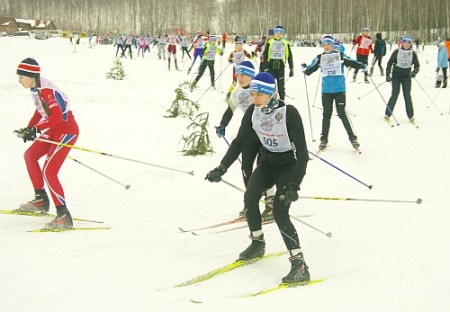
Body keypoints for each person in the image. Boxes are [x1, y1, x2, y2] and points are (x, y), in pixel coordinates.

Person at [205, 72, 310, 284]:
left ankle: (299, 264)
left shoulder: (289, 113)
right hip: (267, 163)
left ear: (271, 94)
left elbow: (303, 154)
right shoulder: (253, 111)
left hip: (288, 166)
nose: (255, 99)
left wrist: (293, 186)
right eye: (253, 94)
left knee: (280, 212)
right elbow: (239, 142)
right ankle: (257, 243)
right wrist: (222, 167)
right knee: (250, 197)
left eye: (260, 94)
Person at [13, 58, 79, 230]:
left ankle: (63, 215)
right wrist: (29, 128)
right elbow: (40, 109)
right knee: (30, 156)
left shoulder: (47, 90)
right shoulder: (37, 87)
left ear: (31, 75)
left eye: (21, 77)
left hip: (66, 131)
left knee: (49, 171)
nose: (19, 81)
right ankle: (41, 199)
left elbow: (58, 116)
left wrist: (36, 129)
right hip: (54, 129)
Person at [215, 61, 275, 220]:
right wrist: (222, 125)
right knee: (246, 168)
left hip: (265, 133)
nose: (240, 78)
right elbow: (230, 110)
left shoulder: (262, 89)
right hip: (248, 133)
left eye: (243, 75)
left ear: (251, 75)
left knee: (263, 167)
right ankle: (251, 202)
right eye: (238, 75)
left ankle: (271, 203)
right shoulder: (236, 92)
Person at [302, 36, 364, 151]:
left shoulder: (339, 55)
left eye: (328, 44)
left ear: (332, 45)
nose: (326, 47)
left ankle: (353, 138)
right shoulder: (320, 57)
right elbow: (311, 69)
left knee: (342, 113)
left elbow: (352, 62)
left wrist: (361, 65)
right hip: (326, 91)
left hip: (339, 89)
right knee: (326, 114)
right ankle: (323, 139)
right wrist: (305, 69)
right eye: (324, 45)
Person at [385, 36, 420, 123]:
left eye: (408, 43)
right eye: (405, 42)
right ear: (402, 43)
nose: (406, 44)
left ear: (410, 44)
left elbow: (417, 65)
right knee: (395, 95)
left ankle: (411, 116)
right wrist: (387, 75)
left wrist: (414, 72)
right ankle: (387, 114)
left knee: (407, 96)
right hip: (396, 76)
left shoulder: (413, 53)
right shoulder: (397, 52)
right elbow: (389, 63)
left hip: (407, 77)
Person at [262, 25, 294, 100]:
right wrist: (265, 67)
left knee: (281, 88)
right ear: (275, 33)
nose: (278, 34)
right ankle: (268, 101)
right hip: (270, 68)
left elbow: (289, 56)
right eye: (277, 32)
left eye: (280, 32)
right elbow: (265, 55)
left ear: (282, 33)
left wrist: (291, 68)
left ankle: (282, 103)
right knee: (270, 86)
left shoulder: (285, 43)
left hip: (280, 68)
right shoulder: (270, 42)